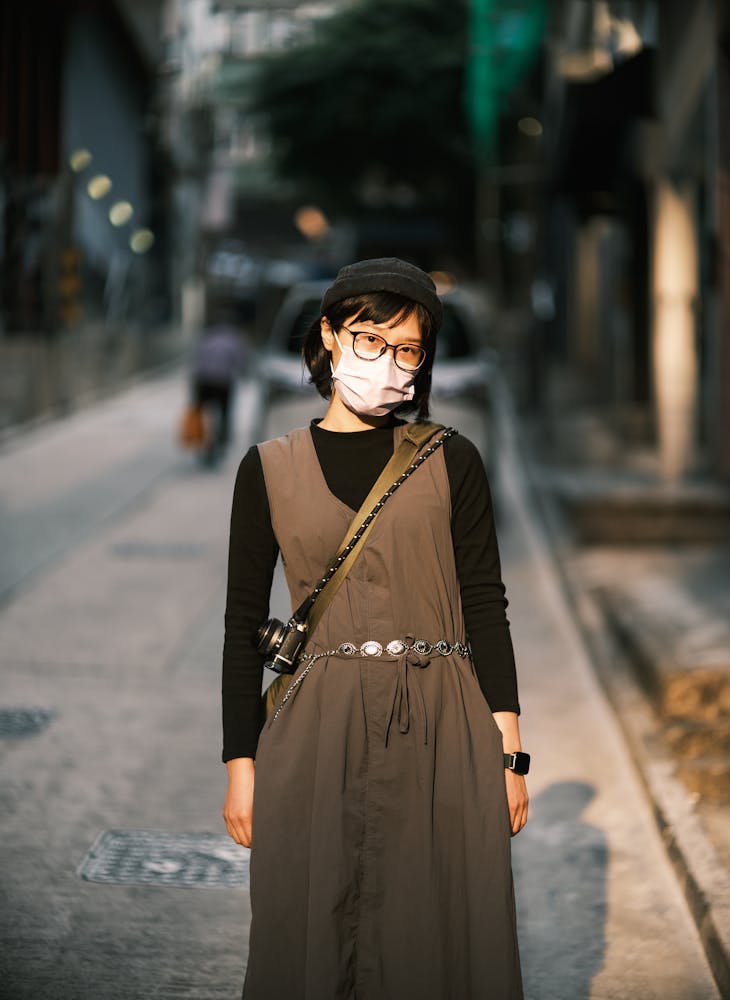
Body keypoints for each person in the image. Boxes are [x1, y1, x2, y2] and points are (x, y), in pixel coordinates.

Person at [221, 258, 528, 999]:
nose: (387, 365)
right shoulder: (267, 468)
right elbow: (240, 625)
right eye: (369, 340)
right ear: (329, 336)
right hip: (314, 730)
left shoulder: (453, 460)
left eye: (408, 350)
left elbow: (486, 604)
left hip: (443, 725)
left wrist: (511, 750)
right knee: (309, 931)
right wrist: (241, 766)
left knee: (442, 935)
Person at [190, 307, 247, 454]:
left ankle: (200, 438)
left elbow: (197, 362)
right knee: (225, 412)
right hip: (223, 383)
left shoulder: (207, 337)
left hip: (203, 382)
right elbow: (240, 362)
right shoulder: (233, 339)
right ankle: (223, 438)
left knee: (201, 411)